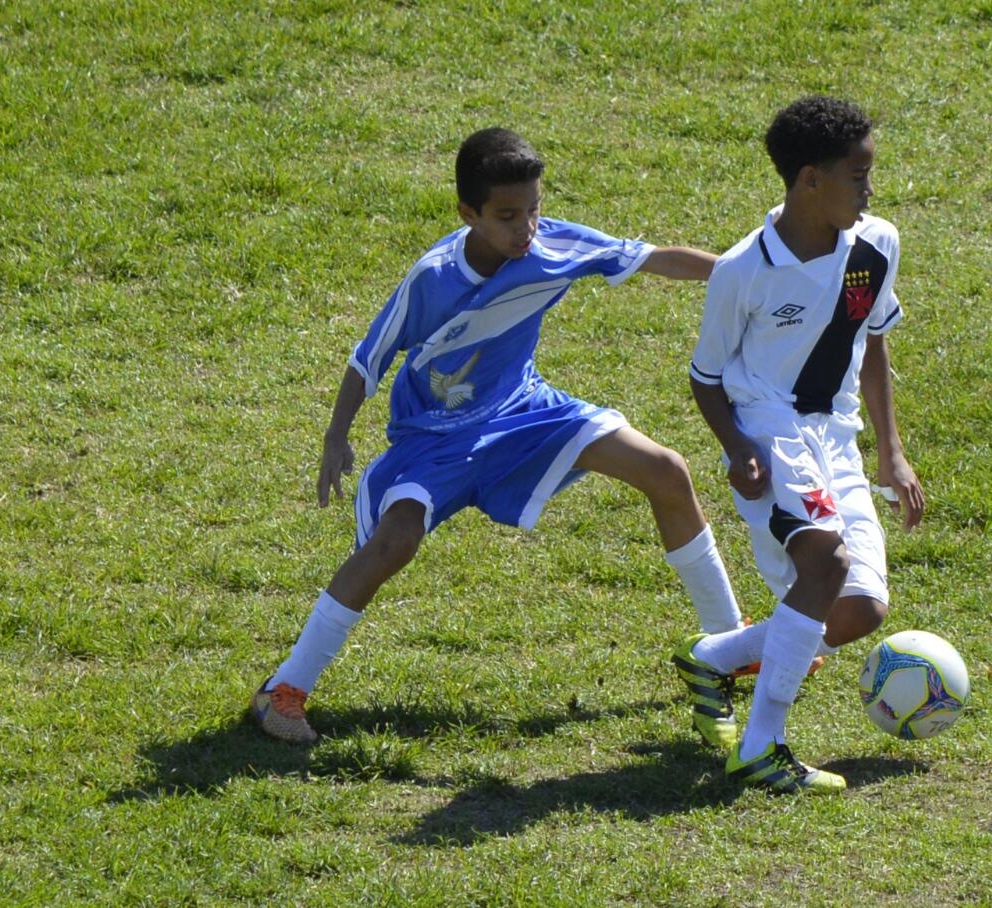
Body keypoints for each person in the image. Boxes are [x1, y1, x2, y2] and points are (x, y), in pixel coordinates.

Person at [251, 127, 745, 743]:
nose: (527, 228)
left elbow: (654, 259)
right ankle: (284, 691)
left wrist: (742, 276)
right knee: (393, 541)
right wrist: (335, 437)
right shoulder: (432, 277)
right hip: (432, 440)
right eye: (508, 216)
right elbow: (366, 359)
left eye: (534, 209)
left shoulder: (557, 244)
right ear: (469, 214)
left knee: (667, 470)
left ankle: (732, 645)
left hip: (523, 413)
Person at [671, 96, 926, 793]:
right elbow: (705, 378)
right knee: (825, 562)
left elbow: (873, 344)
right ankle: (762, 746)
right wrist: (734, 445)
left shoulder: (877, 245)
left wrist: (890, 450)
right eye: (858, 175)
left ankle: (714, 658)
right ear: (809, 179)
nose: (869, 189)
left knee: (857, 609)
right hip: (768, 424)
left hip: (834, 436)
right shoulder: (741, 271)